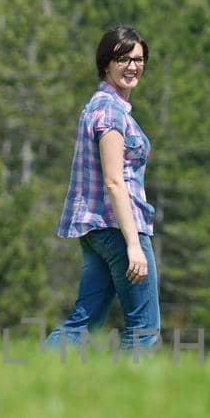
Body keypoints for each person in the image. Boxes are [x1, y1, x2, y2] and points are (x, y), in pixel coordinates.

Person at [44, 25, 160, 353]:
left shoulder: (101, 105)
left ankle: (36, 374)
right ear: (105, 63)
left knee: (85, 320)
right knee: (144, 326)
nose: (132, 66)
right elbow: (113, 181)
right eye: (122, 59)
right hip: (118, 229)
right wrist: (133, 245)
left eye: (138, 60)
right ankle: (131, 401)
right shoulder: (109, 111)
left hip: (97, 231)